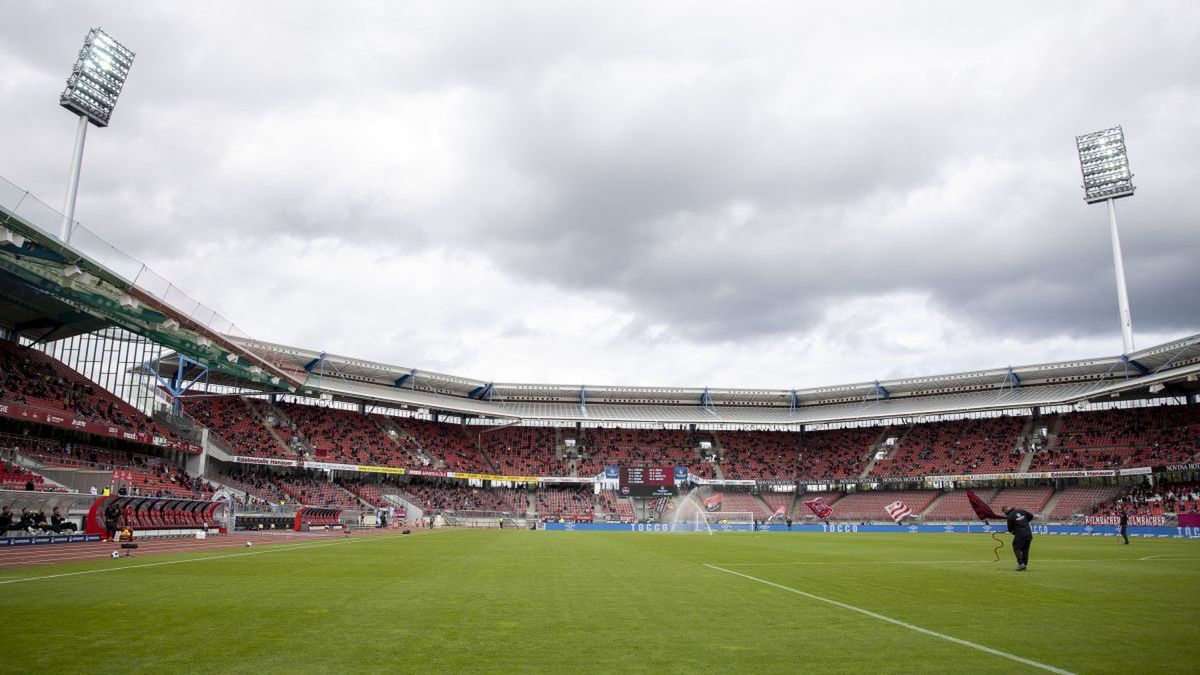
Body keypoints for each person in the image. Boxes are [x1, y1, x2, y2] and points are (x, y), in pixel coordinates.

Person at [1003, 505, 1035, 571]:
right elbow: (1031, 516)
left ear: (1006, 511)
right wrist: (1025, 522)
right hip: (1028, 533)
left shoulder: (1010, 516)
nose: (1005, 514)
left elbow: (1010, 529)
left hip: (1020, 534)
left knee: (1016, 547)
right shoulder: (1021, 510)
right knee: (1025, 550)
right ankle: (1024, 565)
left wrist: (1013, 530)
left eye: (1004, 512)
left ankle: (1020, 564)